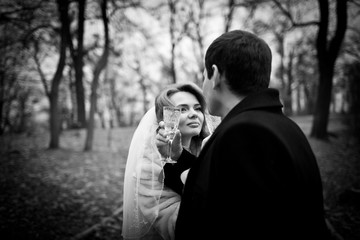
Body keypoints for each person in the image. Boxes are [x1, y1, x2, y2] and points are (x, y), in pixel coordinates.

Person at [156, 30, 331, 239]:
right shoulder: (281, 125)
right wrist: (177, 157)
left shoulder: (244, 133)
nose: (203, 87)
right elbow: (220, 193)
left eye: (204, 77)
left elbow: (226, 223)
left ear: (215, 75)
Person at [122, 82, 218, 240]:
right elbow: (174, 227)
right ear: (164, 119)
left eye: (198, 108)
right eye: (182, 109)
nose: (194, 114)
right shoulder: (148, 168)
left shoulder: (210, 149)